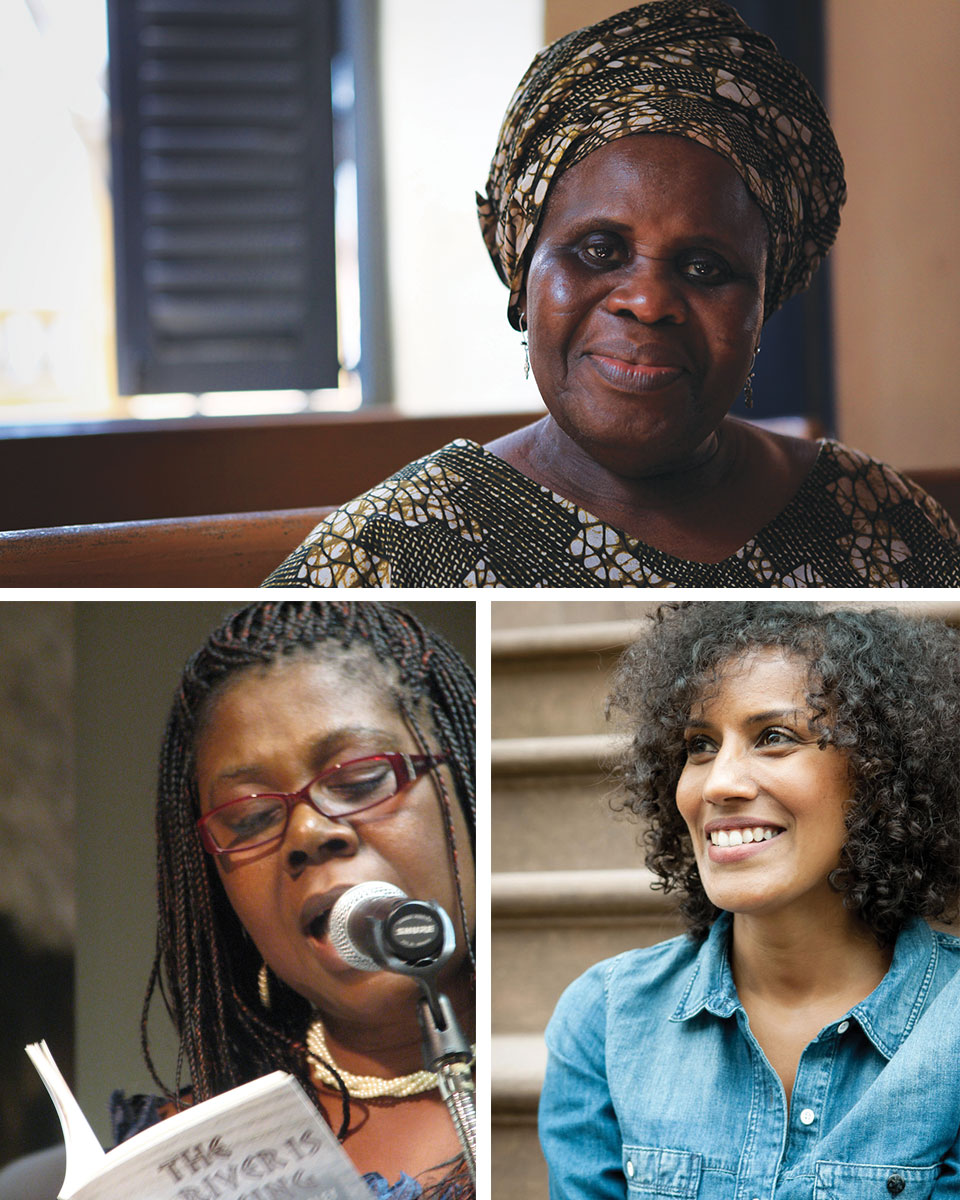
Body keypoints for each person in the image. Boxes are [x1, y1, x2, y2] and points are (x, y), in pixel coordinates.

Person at [264, 1, 960, 588]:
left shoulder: (880, 517)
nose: (648, 301)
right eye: (600, 251)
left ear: (762, 304)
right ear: (521, 267)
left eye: (707, 267)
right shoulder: (392, 554)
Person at [539, 602, 960, 1198]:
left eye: (774, 738)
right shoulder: (604, 1018)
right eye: (700, 746)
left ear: (880, 772)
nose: (719, 783)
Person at [111, 601, 476, 1200]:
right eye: (252, 817)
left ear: (461, 785)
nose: (309, 832)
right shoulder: (185, 1161)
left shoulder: (582, 1067)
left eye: (360, 779)